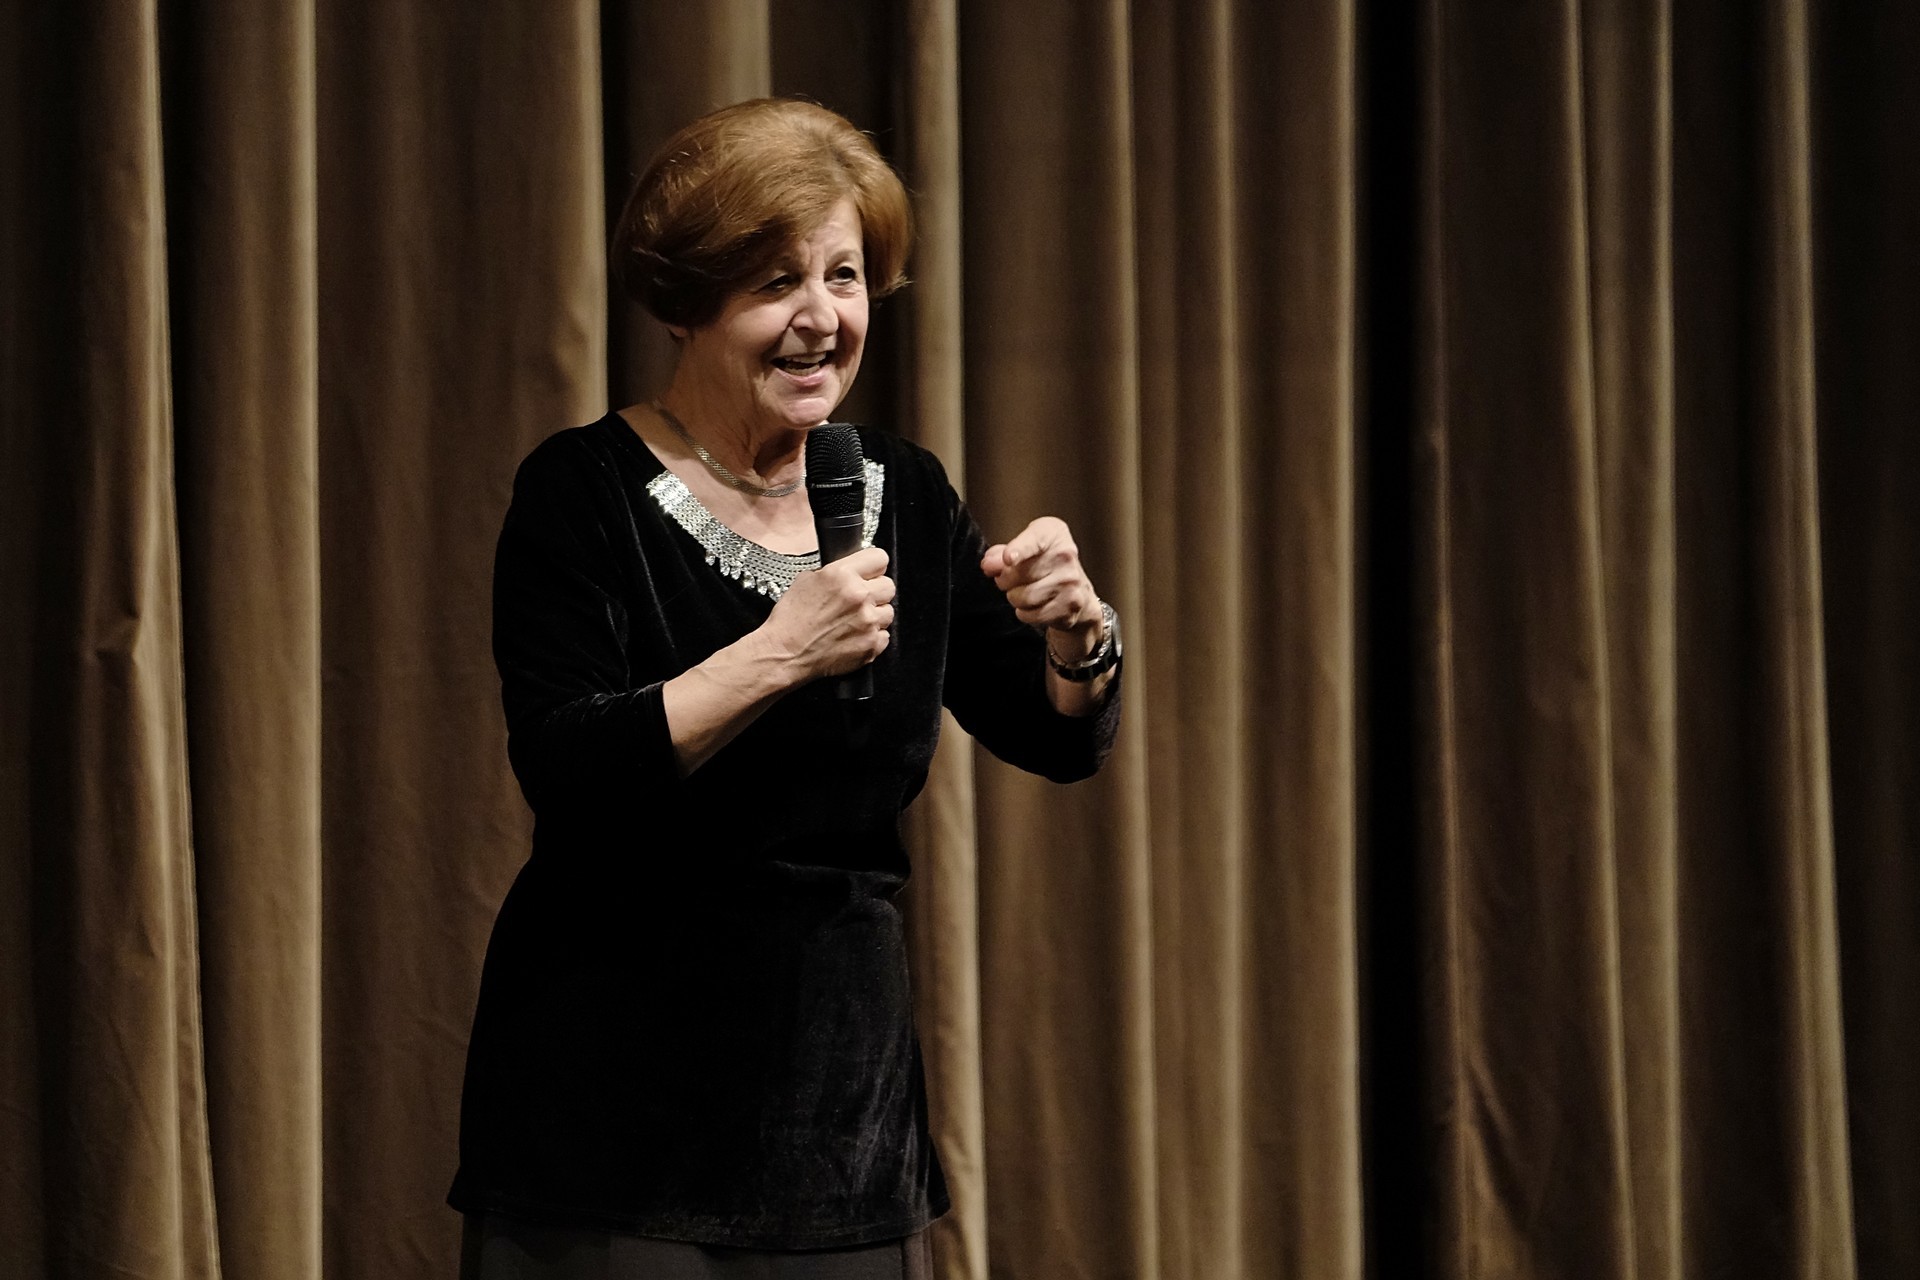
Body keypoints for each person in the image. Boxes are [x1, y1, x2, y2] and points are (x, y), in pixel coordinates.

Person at [448, 98, 1122, 1280]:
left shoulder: (906, 491)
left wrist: (1080, 637)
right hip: (609, 1117)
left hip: (838, 1122)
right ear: (686, 302)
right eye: (775, 282)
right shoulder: (583, 491)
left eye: (844, 275)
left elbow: (1054, 733)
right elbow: (566, 764)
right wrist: (781, 650)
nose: (822, 318)